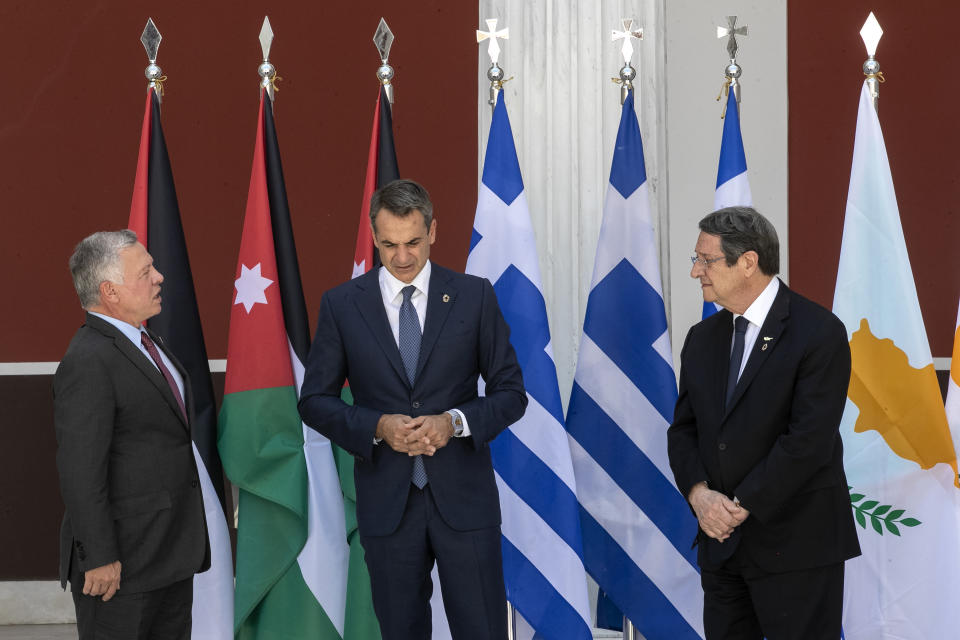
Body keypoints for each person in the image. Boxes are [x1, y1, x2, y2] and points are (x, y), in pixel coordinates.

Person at [299, 179, 527, 640]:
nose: (402, 257)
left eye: (413, 243)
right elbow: (314, 401)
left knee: (481, 630)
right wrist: (376, 426)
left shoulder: (474, 295)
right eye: (388, 245)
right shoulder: (342, 305)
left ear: (434, 231)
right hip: (388, 505)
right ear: (373, 236)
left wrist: (454, 423)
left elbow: (511, 392)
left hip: (465, 503)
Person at [667, 207, 861, 640]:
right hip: (721, 547)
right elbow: (684, 431)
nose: (696, 270)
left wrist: (737, 507)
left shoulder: (819, 332)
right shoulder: (702, 339)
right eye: (695, 259)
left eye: (706, 259)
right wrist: (701, 498)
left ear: (748, 262)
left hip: (796, 545)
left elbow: (808, 440)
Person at [54, 230, 209, 640]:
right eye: (145, 271)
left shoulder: (145, 340)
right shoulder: (88, 360)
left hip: (167, 555)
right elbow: (81, 470)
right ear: (111, 292)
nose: (159, 277)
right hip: (121, 568)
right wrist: (100, 556)